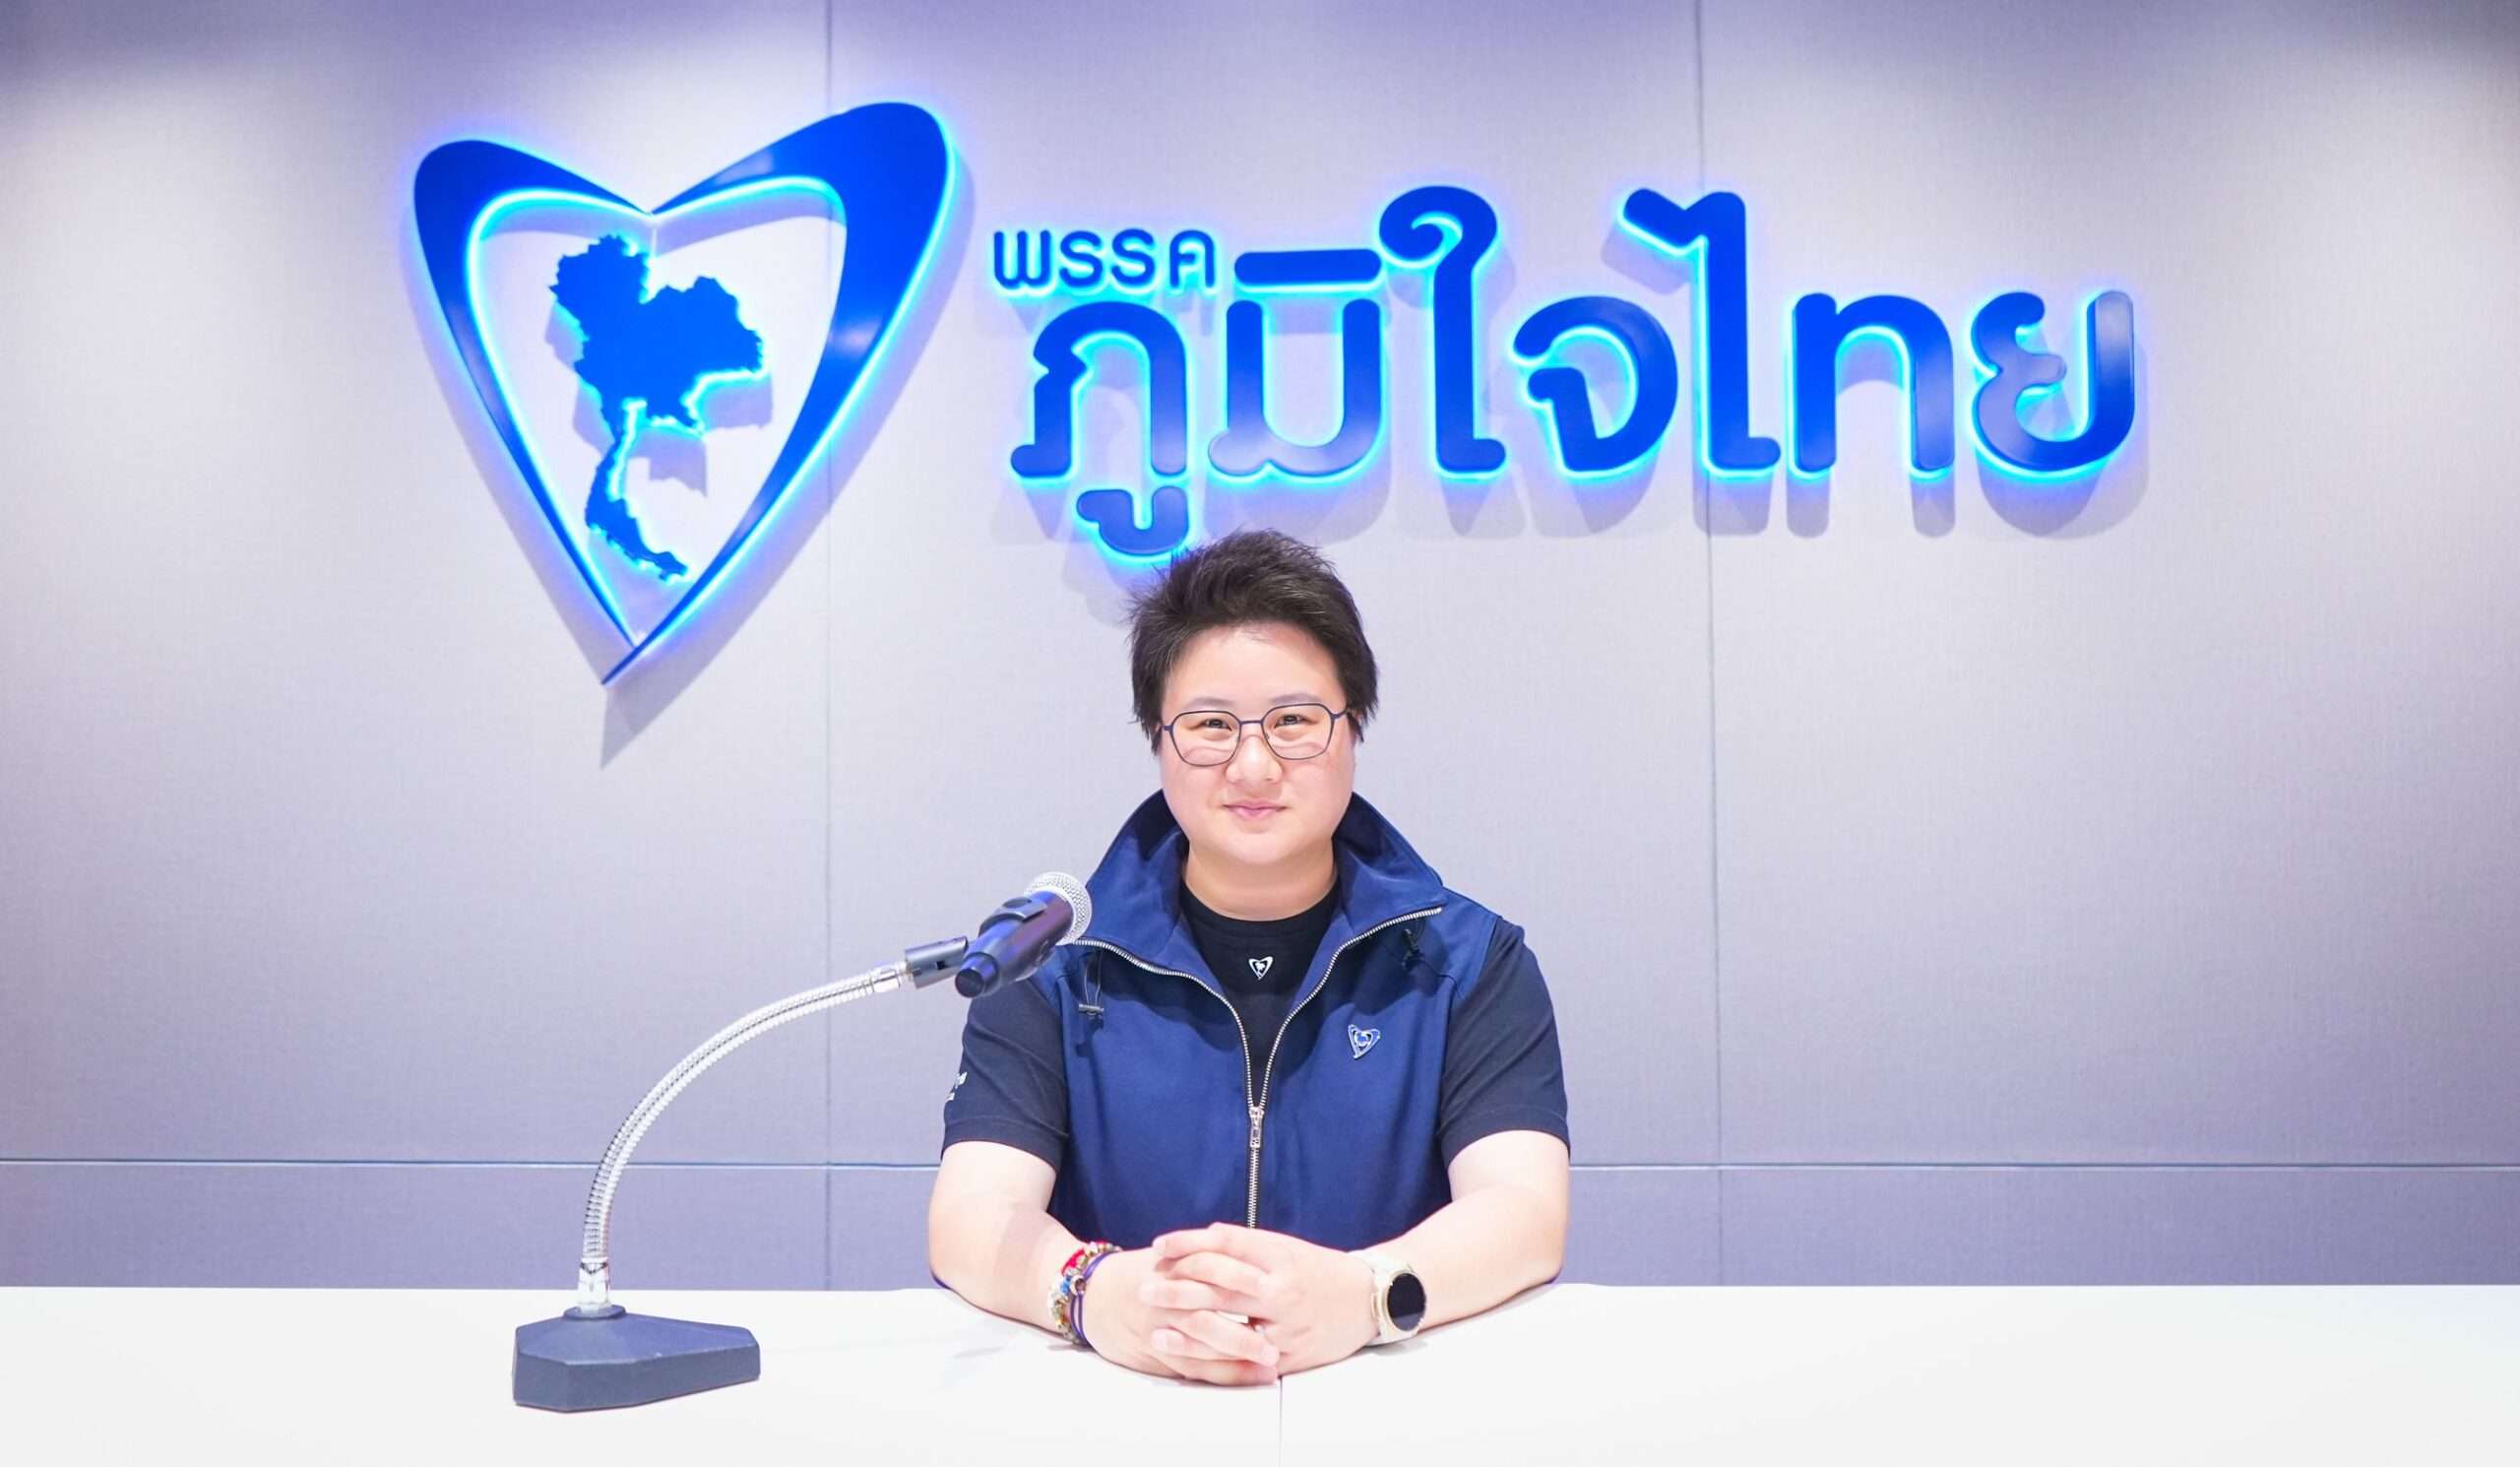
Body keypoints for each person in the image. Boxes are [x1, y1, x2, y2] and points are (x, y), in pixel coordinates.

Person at [927, 529, 1570, 1386]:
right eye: (1211, 726)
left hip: (1391, 1400)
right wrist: (1094, 1292)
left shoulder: (1468, 961)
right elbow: (974, 1212)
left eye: (1295, 721)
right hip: (1120, 1403)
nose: (1255, 765)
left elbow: (1523, 1210)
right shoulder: (1055, 962)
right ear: (1159, 739)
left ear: (1354, 728)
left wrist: (1364, 1295)